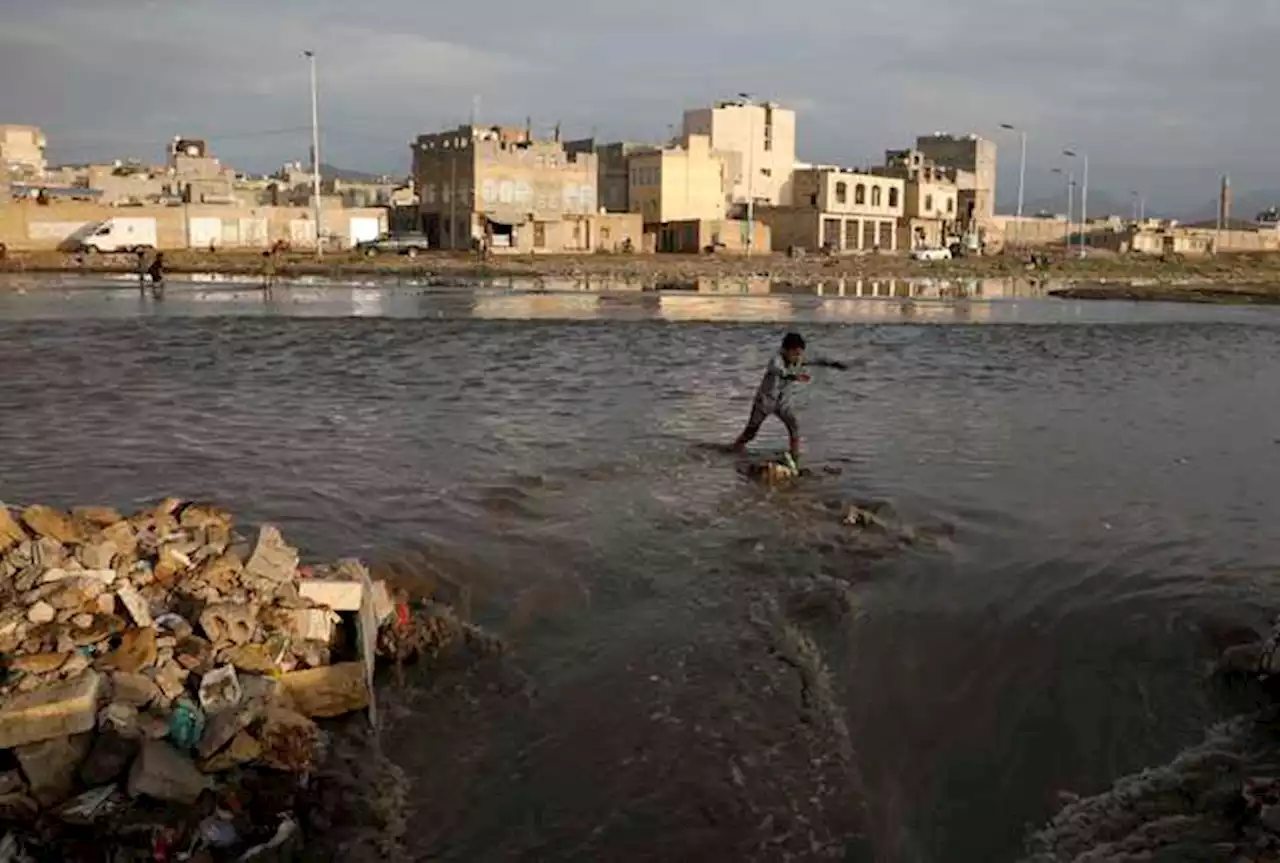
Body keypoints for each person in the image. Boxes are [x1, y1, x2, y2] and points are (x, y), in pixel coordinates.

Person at [730, 332, 847, 468]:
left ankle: (794, 457)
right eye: (795, 353)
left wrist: (833, 364)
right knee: (750, 433)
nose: (798, 357)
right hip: (765, 401)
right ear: (785, 350)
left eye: (799, 353)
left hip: (781, 402)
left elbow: (817, 361)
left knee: (794, 427)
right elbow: (779, 371)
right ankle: (734, 450)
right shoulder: (776, 360)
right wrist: (795, 376)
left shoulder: (798, 359)